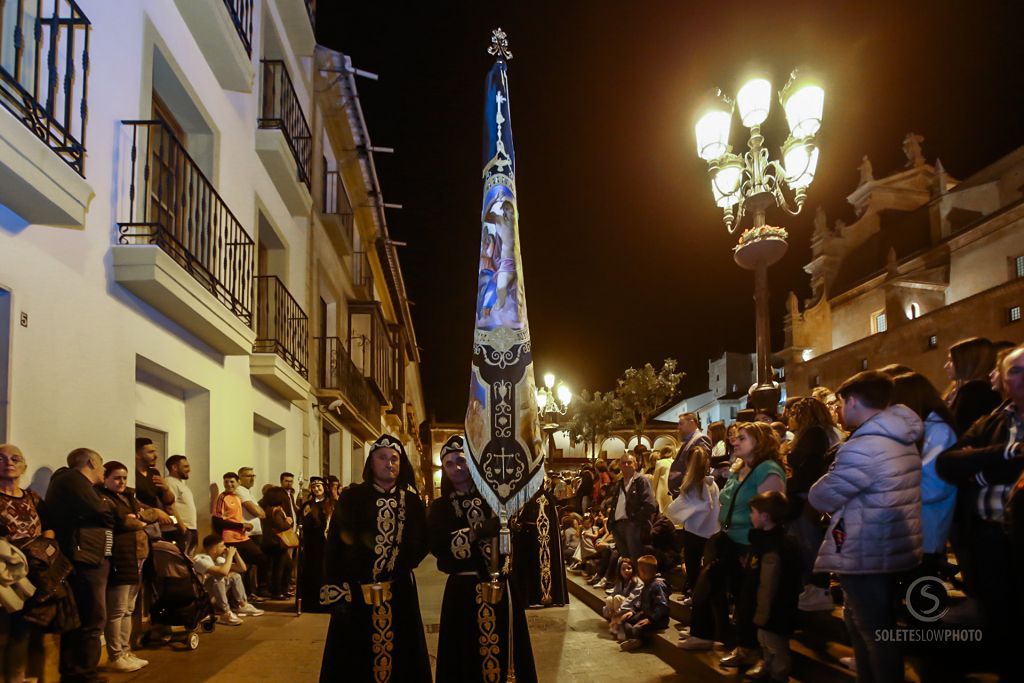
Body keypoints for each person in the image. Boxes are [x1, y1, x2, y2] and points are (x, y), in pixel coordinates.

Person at [809, 370, 923, 683]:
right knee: (869, 623)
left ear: (854, 402)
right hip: (890, 542)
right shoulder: (901, 438)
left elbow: (821, 495)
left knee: (875, 632)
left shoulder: (864, 446)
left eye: (840, 403)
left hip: (866, 547)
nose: (838, 410)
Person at [937, 345, 1024, 681]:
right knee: (1002, 627)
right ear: (1001, 380)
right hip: (990, 538)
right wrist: (1009, 453)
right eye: (1014, 370)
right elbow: (948, 463)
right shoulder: (992, 421)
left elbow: (967, 465)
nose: (1021, 377)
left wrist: (981, 469)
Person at [320, 434, 431, 682]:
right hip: (355, 593)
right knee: (354, 657)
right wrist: (336, 588)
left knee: (403, 655)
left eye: (394, 459)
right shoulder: (351, 497)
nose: (388, 463)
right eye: (382, 458)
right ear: (371, 463)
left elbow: (421, 542)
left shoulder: (411, 502)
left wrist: (399, 567)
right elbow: (335, 545)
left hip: (399, 593)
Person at [427, 435, 536, 682]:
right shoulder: (440, 507)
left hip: (501, 587)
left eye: (462, 461)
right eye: (450, 463)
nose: (457, 467)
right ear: (443, 469)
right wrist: (476, 532)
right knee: (465, 654)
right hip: (463, 593)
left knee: (507, 651)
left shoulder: (495, 499)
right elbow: (439, 546)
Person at [680, 422, 785, 665]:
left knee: (745, 599)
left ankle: (749, 650)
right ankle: (708, 634)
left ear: (759, 442)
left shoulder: (767, 470)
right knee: (707, 586)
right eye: (735, 438)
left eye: (742, 438)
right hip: (727, 540)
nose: (734, 442)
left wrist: (755, 548)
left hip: (749, 544)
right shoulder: (740, 468)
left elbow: (771, 514)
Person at [46, 448, 115, 683]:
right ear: (91, 461)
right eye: (102, 463)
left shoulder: (74, 483)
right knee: (91, 618)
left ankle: (79, 672)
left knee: (86, 618)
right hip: (83, 560)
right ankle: (82, 674)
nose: (104, 469)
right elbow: (100, 510)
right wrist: (109, 507)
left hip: (87, 558)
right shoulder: (73, 479)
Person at [97, 461, 171, 672]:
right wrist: (142, 519)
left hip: (138, 556)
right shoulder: (105, 498)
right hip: (121, 556)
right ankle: (115, 655)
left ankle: (126, 650)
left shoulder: (129, 496)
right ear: (105, 478)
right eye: (116, 478)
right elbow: (125, 523)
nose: (121, 482)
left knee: (129, 609)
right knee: (117, 610)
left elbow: (152, 513)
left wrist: (141, 516)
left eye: (124, 478)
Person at [891, 372, 958, 575]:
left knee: (922, 597)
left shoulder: (939, 432)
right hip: (911, 530)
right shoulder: (920, 430)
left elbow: (934, 486)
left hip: (927, 529)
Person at [0, 445, 52, 683]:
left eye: (15, 458)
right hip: (3, 573)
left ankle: (16, 677)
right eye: (1, 458)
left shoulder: (33, 497)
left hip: (29, 572)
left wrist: (42, 548)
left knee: (22, 627)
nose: (8, 462)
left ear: (23, 466)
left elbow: (49, 525)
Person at [784, 396, 837, 612]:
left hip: (808, 495)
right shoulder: (817, 433)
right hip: (807, 493)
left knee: (809, 544)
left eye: (794, 414)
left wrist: (791, 485)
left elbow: (809, 468)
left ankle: (818, 588)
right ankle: (812, 588)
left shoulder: (813, 434)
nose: (789, 418)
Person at [743, 491, 801, 683]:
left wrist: (761, 612)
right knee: (765, 642)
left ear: (765, 517)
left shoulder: (775, 547)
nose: (751, 517)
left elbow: (769, 584)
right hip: (765, 608)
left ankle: (778, 675)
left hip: (775, 610)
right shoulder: (763, 541)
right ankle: (767, 666)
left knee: (776, 646)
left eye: (753, 512)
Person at [665, 442, 719, 603]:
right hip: (711, 533)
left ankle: (698, 608)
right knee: (707, 573)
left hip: (694, 534)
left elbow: (675, 511)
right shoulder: (712, 484)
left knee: (695, 573)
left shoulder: (692, 486)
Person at [213, 472, 268, 600]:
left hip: (243, 537)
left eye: (232, 482)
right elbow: (217, 521)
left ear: (238, 483)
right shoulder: (222, 497)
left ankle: (252, 592)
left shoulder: (238, 497)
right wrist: (241, 525)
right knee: (237, 567)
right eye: (226, 482)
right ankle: (238, 598)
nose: (229, 484)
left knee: (259, 559)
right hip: (230, 538)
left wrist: (244, 526)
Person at [513, 485, 568, 607]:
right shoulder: (523, 495)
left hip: (541, 541)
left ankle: (543, 596)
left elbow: (547, 521)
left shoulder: (545, 497)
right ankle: (528, 598)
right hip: (526, 540)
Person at [193, 534, 264, 625]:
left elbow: (242, 569)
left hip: (215, 594)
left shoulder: (218, 559)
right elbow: (222, 572)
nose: (225, 548)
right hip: (204, 596)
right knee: (218, 578)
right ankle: (225, 612)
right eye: (222, 546)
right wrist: (229, 556)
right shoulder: (200, 559)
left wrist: (236, 554)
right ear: (214, 549)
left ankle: (242, 605)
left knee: (235, 576)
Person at [943, 337, 1001, 434]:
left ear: (968, 361)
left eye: (951, 360)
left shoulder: (972, 391)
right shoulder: (987, 388)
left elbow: (957, 430)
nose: (946, 366)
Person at [610, 453, 657, 564]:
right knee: (625, 561)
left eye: (629, 462)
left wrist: (634, 519)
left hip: (633, 525)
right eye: (623, 463)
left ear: (635, 465)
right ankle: (629, 581)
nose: (626, 465)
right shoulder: (619, 483)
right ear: (620, 466)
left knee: (635, 559)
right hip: (618, 525)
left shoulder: (641, 480)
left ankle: (638, 580)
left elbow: (650, 505)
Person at [617, 554, 670, 651]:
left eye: (639, 571)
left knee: (637, 628)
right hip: (645, 613)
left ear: (644, 572)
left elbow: (662, 607)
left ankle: (638, 641)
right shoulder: (647, 583)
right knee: (626, 620)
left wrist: (651, 619)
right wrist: (632, 611)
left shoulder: (657, 585)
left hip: (657, 619)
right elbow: (640, 601)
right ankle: (632, 637)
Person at [258, 486, 294, 600]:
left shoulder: (266, 509)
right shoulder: (276, 510)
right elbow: (281, 526)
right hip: (277, 542)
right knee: (280, 567)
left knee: (273, 567)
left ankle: (279, 590)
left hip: (267, 541)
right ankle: (278, 592)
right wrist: (288, 522)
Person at [299, 477, 330, 612]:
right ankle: (310, 603)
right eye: (314, 487)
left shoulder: (331, 503)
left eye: (319, 486)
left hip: (326, 542)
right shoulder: (308, 505)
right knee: (311, 571)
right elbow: (303, 523)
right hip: (312, 543)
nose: (316, 489)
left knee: (324, 571)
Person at [236, 467, 267, 595]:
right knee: (252, 563)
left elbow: (262, 513)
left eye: (253, 475)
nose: (252, 478)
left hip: (255, 533)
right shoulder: (240, 490)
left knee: (251, 566)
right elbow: (256, 511)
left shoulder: (248, 492)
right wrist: (259, 512)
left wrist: (260, 512)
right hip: (247, 534)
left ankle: (251, 592)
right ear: (240, 478)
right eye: (248, 476)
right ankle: (250, 592)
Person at [668, 412, 712, 497]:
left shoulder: (700, 438)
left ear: (692, 423)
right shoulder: (689, 440)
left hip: (690, 492)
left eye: (681, 424)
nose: (678, 427)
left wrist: (683, 484)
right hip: (684, 491)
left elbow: (699, 467)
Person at [603, 556, 644, 640]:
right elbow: (614, 593)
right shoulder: (620, 581)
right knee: (609, 599)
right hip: (619, 607)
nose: (626, 571)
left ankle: (618, 625)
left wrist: (619, 610)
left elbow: (632, 599)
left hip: (631, 606)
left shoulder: (637, 582)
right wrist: (609, 609)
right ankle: (615, 622)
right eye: (623, 569)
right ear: (620, 571)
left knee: (617, 598)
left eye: (629, 568)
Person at [164, 455, 198, 556]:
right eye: (186, 467)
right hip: (180, 530)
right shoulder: (169, 482)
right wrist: (182, 527)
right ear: (174, 467)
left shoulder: (180, 484)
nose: (189, 470)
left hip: (189, 529)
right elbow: (170, 506)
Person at [133, 437, 173, 510]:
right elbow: (131, 501)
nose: (155, 456)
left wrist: (166, 489)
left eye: (154, 452)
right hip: (141, 517)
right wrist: (155, 511)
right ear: (137, 454)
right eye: (150, 452)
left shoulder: (154, 472)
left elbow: (168, 502)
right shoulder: (131, 473)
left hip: (157, 518)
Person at [650, 446, 675, 514]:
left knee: (661, 510)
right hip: (671, 488)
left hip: (662, 488)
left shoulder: (660, 462)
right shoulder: (674, 462)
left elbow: (656, 478)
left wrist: (653, 492)